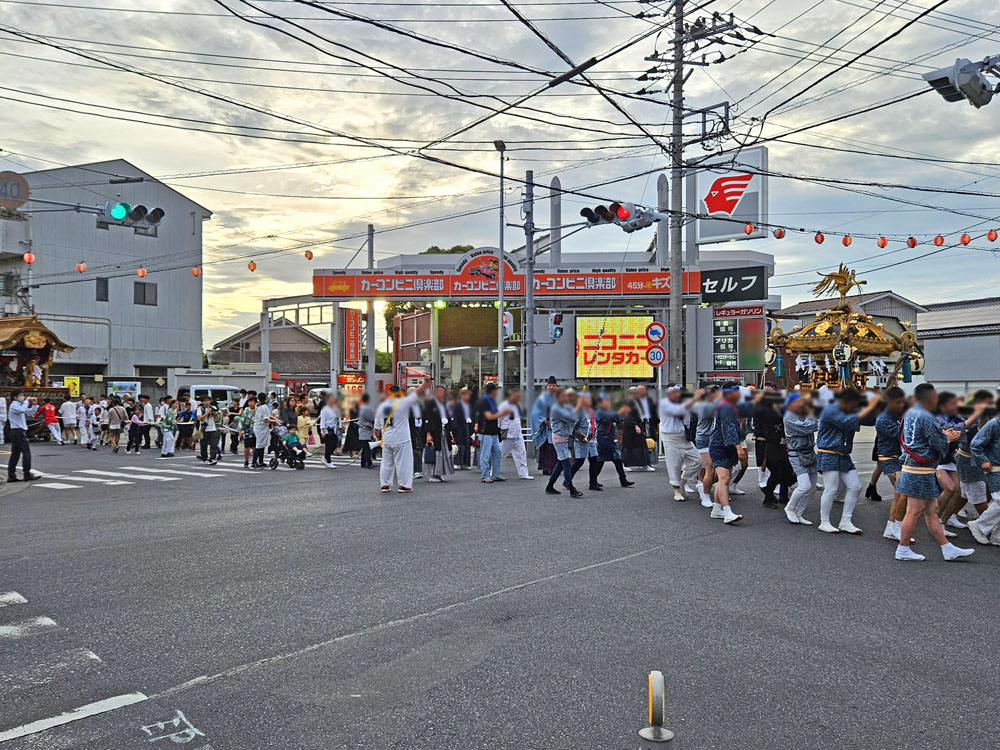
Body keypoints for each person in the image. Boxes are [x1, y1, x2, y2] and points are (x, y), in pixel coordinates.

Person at [895, 383, 973, 562]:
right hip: (919, 469)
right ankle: (903, 548)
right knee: (914, 511)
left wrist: (943, 436)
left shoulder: (910, 414)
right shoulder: (926, 416)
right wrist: (947, 438)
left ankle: (947, 548)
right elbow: (938, 444)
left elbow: (924, 439)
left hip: (915, 467)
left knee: (931, 510)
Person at [815, 389, 882, 535]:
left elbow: (869, 421)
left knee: (855, 486)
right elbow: (847, 422)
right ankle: (824, 522)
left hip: (844, 454)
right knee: (831, 488)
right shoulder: (830, 410)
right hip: (828, 453)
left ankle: (846, 520)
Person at [707, 382, 747, 524]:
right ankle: (727, 511)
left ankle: (717, 509)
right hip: (720, 446)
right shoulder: (726, 407)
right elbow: (728, 429)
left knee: (725, 478)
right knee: (724, 478)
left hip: (722, 446)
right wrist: (738, 447)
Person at [375, 384, 426, 493]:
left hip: (387, 438)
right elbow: (417, 392)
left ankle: (385, 484)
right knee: (404, 463)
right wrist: (426, 382)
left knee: (386, 463)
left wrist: (376, 436)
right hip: (402, 438)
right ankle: (404, 485)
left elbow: (377, 427)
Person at [658, 385, 704, 502]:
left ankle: (683, 481)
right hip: (670, 438)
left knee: (697, 461)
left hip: (684, 437)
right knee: (674, 465)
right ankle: (676, 490)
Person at [875, 387, 909, 541]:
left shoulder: (897, 415)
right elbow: (901, 434)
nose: (901, 404)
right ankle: (895, 527)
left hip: (900, 458)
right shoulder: (884, 419)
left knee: (900, 494)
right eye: (898, 402)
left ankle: (891, 527)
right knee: (902, 492)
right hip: (889, 458)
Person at [783, 392, 818, 524]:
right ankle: (790, 508)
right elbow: (807, 428)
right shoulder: (789, 417)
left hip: (809, 452)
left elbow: (814, 425)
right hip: (797, 454)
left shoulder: (801, 413)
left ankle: (799, 512)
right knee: (805, 485)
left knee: (813, 487)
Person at [756, 391, 795, 510]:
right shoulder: (766, 413)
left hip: (778, 446)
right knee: (777, 472)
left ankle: (770, 492)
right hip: (768, 447)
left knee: (787, 471)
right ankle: (768, 496)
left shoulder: (778, 412)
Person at [546, 387, 583, 497]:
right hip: (559, 437)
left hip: (565, 437)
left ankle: (550, 486)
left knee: (560, 464)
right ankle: (571, 488)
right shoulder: (557, 408)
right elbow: (572, 418)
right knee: (566, 462)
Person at [593, 393, 635, 489]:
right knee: (600, 461)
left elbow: (619, 419)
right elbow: (606, 418)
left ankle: (623, 480)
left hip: (611, 438)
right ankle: (593, 481)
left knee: (617, 460)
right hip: (602, 438)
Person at [694, 386, 721, 507]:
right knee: (710, 469)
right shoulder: (707, 405)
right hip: (704, 439)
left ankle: (703, 485)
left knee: (715, 470)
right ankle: (705, 496)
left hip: (713, 439)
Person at [476, 382, 508, 483]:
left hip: (493, 431)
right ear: (492, 391)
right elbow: (489, 416)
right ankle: (485, 476)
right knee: (485, 455)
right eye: (496, 390)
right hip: (485, 432)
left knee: (498, 452)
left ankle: (495, 474)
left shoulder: (491, 401)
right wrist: (502, 413)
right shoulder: (484, 401)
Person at [423, 385, 454, 483]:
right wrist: (428, 434)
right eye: (440, 392)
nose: (442, 394)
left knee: (444, 452)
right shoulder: (430, 403)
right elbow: (427, 419)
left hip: (444, 430)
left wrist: (450, 431)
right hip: (435, 431)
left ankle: (439, 473)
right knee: (434, 453)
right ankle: (432, 475)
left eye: (443, 392)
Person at [498, 389, 532, 480]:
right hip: (507, 433)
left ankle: (523, 473)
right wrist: (501, 429)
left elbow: (518, 419)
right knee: (501, 453)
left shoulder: (519, 405)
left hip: (518, 433)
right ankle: (493, 471)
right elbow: (499, 419)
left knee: (521, 453)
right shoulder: (503, 405)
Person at [530, 377, 560, 475]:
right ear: (547, 387)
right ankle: (546, 468)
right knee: (546, 448)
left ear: (557, 388)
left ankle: (555, 468)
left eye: (554, 385)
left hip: (557, 428)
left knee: (555, 449)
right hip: (546, 427)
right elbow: (535, 413)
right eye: (550, 385)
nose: (552, 387)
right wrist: (542, 420)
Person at [7, 391, 39, 481]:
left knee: (15, 454)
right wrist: (26, 401)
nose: (22, 397)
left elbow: (28, 413)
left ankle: (11, 475)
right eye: (20, 395)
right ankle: (26, 473)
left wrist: (34, 405)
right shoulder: (14, 405)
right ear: (14, 397)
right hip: (18, 432)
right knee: (26, 453)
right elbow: (22, 410)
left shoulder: (19, 405)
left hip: (17, 432)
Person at [622, 386, 650, 471]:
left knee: (641, 446)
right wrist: (634, 425)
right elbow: (627, 416)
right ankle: (625, 464)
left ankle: (644, 464)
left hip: (638, 425)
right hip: (630, 428)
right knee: (628, 447)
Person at [636, 384, 659, 469]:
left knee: (651, 442)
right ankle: (643, 462)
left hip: (650, 423)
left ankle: (650, 462)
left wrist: (657, 425)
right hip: (640, 423)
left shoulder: (649, 400)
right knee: (642, 443)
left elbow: (655, 413)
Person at [452, 388, 474, 470]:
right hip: (460, 426)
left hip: (467, 425)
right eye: (466, 395)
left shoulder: (469, 405)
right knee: (460, 444)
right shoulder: (458, 404)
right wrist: (454, 427)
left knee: (467, 444)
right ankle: (457, 462)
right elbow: (454, 416)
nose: (468, 397)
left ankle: (466, 463)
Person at [318, 395, 341, 469]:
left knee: (335, 444)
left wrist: (341, 425)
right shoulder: (325, 409)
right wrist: (323, 431)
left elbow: (338, 418)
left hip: (334, 429)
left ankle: (325, 457)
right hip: (328, 429)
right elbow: (323, 420)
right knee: (329, 446)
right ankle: (328, 461)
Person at [196, 396, 220, 465]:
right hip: (204, 428)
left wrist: (214, 413)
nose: (207, 402)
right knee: (204, 444)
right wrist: (207, 413)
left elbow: (218, 418)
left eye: (208, 400)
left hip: (212, 428)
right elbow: (199, 418)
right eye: (205, 400)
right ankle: (204, 458)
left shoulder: (213, 408)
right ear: (202, 402)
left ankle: (212, 458)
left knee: (213, 444)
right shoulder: (200, 409)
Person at [251, 396, 273, 469]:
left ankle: (260, 461)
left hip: (258, 427)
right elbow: (266, 419)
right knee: (259, 445)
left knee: (262, 445)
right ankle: (254, 462)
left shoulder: (258, 406)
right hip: (261, 428)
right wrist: (275, 421)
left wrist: (276, 419)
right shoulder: (264, 407)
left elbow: (268, 416)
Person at [357, 393, 376, 469]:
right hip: (365, 430)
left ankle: (363, 463)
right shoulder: (366, 408)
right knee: (367, 447)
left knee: (365, 447)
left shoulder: (362, 407)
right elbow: (372, 418)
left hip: (364, 429)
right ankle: (369, 463)